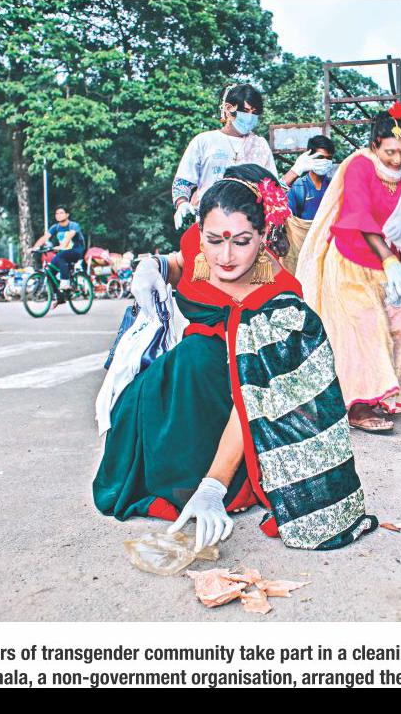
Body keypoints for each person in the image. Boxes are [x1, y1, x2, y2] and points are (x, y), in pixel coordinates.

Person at [94, 164, 377, 551]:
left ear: (262, 235)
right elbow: (181, 264)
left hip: (233, 403)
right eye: (214, 240)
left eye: (241, 241)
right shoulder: (198, 247)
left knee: (199, 364)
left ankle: (216, 480)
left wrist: (214, 484)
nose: (225, 256)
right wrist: (154, 266)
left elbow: (255, 396)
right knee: (135, 405)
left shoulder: (277, 297)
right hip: (181, 382)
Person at [295, 104, 401, 434]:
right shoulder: (360, 165)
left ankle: (380, 395)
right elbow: (359, 217)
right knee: (365, 330)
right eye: (390, 152)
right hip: (350, 259)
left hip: (388, 262)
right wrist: (389, 260)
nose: (398, 159)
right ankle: (358, 407)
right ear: (375, 146)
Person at [171, 83, 322, 231]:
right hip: (209, 224)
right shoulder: (204, 141)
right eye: (245, 111)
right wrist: (182, 203)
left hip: (248, 228)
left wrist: (295, 171)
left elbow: (273, 192)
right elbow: (183, 181)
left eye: (254, 113)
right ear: (229, 109)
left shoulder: (260, 145)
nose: (250, 117)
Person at [283, 134, 335, 275]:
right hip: (303, 249)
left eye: (328, 158)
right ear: (310, 157)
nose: (325, 162)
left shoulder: (333, 185)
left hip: (327, 249)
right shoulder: (299, 187)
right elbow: (291, 223)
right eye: (320, 157)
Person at [29, 205, 86, 305]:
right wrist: (35, 247)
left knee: (61, 256)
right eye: (57, 213)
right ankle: (60, 297)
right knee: (50, 272)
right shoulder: (55, 227)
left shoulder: (73, 225)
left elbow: (69, 236)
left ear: (67, 215)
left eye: (61, 213)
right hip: (63, 252)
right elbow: (44, 238)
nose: (58, 215)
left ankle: (65, 281)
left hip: (76, 251)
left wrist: (61, 246)